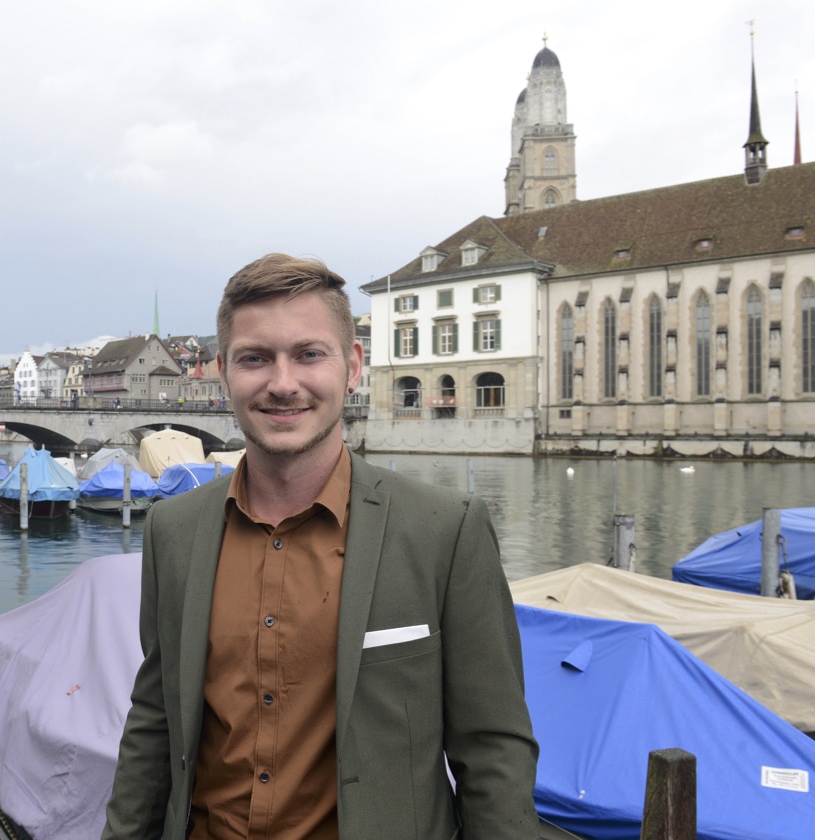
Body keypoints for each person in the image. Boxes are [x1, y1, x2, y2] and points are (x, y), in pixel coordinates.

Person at [102, 254, 538, 840]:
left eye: (309, 354)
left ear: (352, 366)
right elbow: (155, 721)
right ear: (224, 374)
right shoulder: (172, 531)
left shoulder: (444, 530)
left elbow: (493, 748)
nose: (283, 384)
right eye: (255, 358)